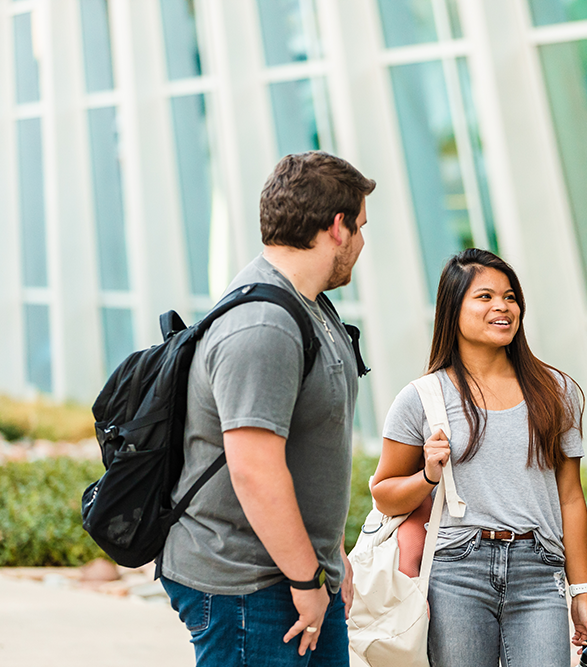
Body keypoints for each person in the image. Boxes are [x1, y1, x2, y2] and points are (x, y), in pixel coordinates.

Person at [160, 151, 376, 667]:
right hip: (249, 587)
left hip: (297, 573)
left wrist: (329, 558)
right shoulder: (264, 324)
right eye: (363, 227)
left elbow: (308, 447)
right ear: (338, 227)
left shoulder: (310, 305)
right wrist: (305, 579)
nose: (364, 244)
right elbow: (254, 470)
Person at [369, 248, 587, 667]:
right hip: (456, 573)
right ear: (452, 309)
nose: (503, 306)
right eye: (485, 297)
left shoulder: (556, 392)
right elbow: (384, 495)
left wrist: (581, 592)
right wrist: (427, 475)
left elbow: (570, 497)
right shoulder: (422, 398)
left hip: (539, 573)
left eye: (510, 297)